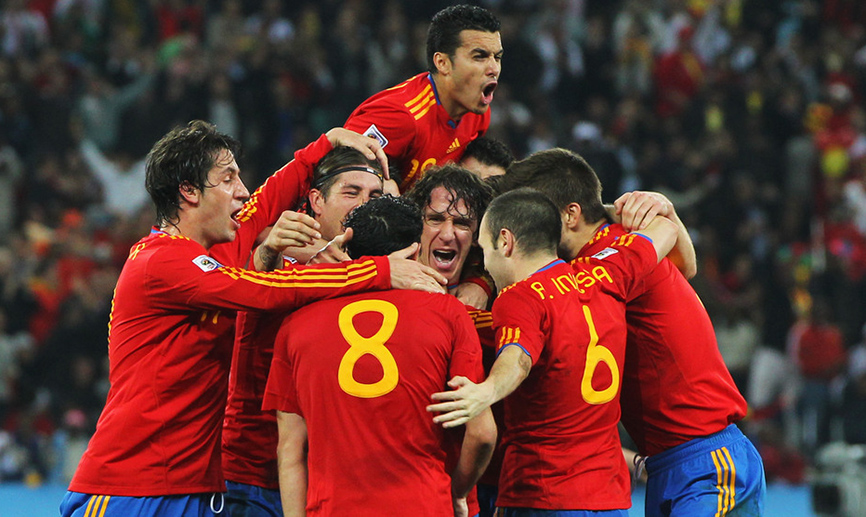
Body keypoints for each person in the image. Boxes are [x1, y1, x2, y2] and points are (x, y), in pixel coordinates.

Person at [60, 121, 446, 517]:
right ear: (188, 191)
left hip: (194, 487)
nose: (242, 191)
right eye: (228, 179)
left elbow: (265, 203)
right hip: (130, 486)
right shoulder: (161, 260)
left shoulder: (215, 256)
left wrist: (323, 144)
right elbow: (264, 291)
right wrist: (377, 271)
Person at [486, 148, 766, 516]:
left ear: (570, 215)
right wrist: (665, 216)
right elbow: (686, 264)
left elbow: (687, 263)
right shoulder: (621, 248)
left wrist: (662, 212)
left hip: (708, 460)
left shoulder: (604, 261)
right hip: (664, 465)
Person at [429, 188, 678, 515]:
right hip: (609, 497)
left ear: (505, 242)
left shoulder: (519, 298)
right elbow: (666, 228)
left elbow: (517, 357)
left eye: (486, 249)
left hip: (543, 495)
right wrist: (629, 208)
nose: (486, 265)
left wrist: (486, 390)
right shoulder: (604, 274)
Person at [263, 195, 497, 516]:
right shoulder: (448, 313)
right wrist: (458, 492)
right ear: (416, 251)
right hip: (425, 504)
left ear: (346, 249)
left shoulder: (295, 324)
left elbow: (290, 452)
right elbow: (483, 433)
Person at [221, 146, 386, 516]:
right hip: (255, 480)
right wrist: (268, 252)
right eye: (351, 192)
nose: (364, 204)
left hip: (335, 481)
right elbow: (257, 280)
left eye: (374, 195)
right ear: (316, 200)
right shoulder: (280, 256)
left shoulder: (378, 270)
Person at [344, 4, 502, 193]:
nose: (494, 69)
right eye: (479, 57)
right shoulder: (400, 116)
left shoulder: (477, 115)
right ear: (442, 63)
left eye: (497, 57)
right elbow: (338, 175)